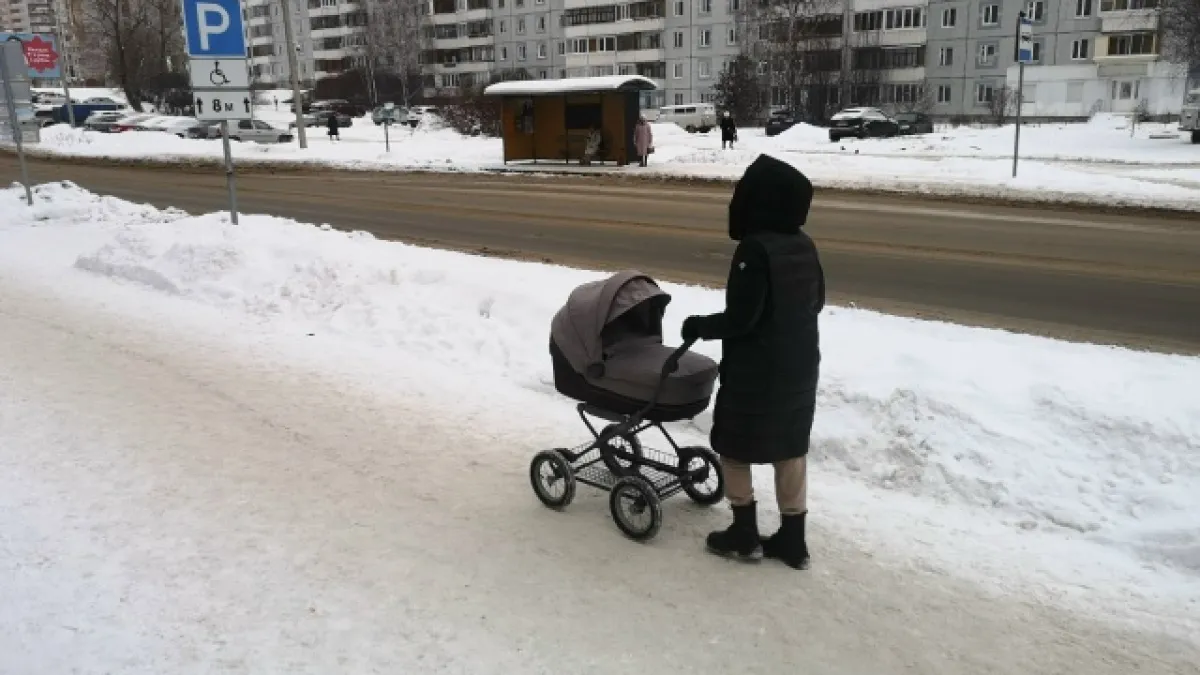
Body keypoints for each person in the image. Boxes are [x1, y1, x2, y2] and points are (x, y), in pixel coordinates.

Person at [681, 154, 825, 570]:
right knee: (789, 448)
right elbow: (816, 301)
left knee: (734, 445)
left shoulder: (755, 249)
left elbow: (742, 319)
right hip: (800, 366)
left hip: (758, 371)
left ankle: (743, 532)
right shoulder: (804, 244)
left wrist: (698, 326)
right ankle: (793, 540)